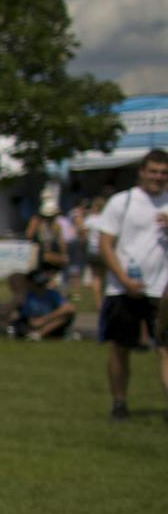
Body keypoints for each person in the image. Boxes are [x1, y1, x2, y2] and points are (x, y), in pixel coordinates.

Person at [96, 148, 168, 422]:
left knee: (165, 349)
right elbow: (105, 244)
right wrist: (123, 278)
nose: (158, 178)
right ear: (142, 172)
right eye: (153, 171)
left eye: (164, 173)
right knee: (120, 347)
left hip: (161, 290)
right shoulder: (122, 202)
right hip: (123, 288)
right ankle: (119, 402)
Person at [6, 272, 77, 340]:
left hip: (49, 323)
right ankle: (34, 334)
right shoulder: (26, 296)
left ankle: (38, 334)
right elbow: (27, 317)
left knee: (66, 316)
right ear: (29, 284)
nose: (41, 287)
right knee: (19, 322)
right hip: (31, 323)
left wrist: (44, 319)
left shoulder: (53, 294)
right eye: (38, 285)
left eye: (42, 284)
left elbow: (69, 308)